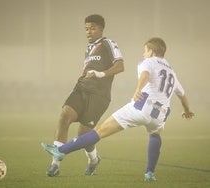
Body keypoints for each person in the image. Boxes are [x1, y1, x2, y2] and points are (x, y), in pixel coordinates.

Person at [42, 37, 195, 181]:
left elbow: (145, 75)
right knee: (155, 136)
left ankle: (61, 151)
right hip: (160, 115)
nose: (143, 53)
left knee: (99, 131)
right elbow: (182, 94)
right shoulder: (172, 72)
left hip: (141, 107)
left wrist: (138, 90)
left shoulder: (148, 62)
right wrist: (187, 111)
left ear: (152, 51)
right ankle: (149, 172)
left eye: (145, 50)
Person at [45, 14, 124, 177]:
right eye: (86, 29)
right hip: (81, 89)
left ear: (101, 28)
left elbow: (120, 66)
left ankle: (93, 160)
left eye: (92, 28)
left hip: (99, 96)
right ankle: (55, 165)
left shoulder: (108, 43)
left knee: (84, 136)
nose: (88, 32)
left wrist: (101, 74)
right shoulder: (88, 49)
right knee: (64, 115)